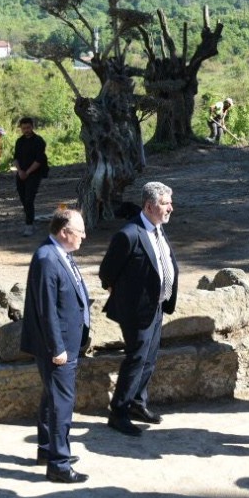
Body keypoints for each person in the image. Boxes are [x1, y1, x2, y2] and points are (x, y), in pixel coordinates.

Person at [99, 181, 179, 437]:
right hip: (136, 311)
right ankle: (118, 412)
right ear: (149, 205)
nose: (170, 209)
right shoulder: (129, 234)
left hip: (156, 307)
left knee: (149, 358)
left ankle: (137, 403)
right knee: (136, 359)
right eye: (166, 204)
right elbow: (107, 272)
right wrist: (122, 296)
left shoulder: (157, 228)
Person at [18, 208, 91, 483]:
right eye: (80, 231)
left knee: (52, 397)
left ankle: (48, 450)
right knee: (62, 403)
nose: (84, 236)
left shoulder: (60, 254)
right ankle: (59, 464)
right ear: (64, 232)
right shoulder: (47, 258)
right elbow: (46, 309)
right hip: (57, 347)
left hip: (65, 343)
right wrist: (57, 348)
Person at [11, 117, 49, 236]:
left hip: (34, 173)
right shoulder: (19, 141)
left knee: (29, 199)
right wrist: (20, 171)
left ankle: (29, 225)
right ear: (21, 129)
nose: (26, 130)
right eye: (24, 128)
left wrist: (27, 172)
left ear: (32, 127)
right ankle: (29, 217)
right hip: (21, 173)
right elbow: (15, 158)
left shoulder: (38, 141)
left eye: (28, 127)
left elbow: (39, 160)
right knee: (23, 198)